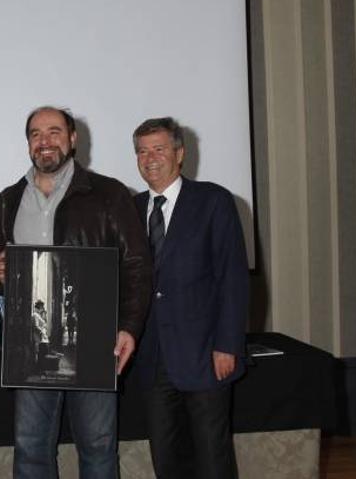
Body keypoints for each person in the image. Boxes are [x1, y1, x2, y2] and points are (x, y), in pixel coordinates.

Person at [0, 106, 151, 478]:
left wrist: (129, 327)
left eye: (54, 131)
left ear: (73, 139)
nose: (45, 141)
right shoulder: (7, 201)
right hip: (29, 344)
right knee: (30, 448)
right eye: (36, 134)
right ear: (28, 143)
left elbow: (137, 265)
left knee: (98, 446)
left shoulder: (108, 194)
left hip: (94, 339)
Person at [131, 117, 248, 478]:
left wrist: (227, 344)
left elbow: (233, 278)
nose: (150, 158)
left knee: (213, 459)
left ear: (180, 154)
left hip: (206, 354)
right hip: (151, 360)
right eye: (142, 151)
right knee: (166, 460)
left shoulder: (213, 201)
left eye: (159, 149)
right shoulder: (130, 209)